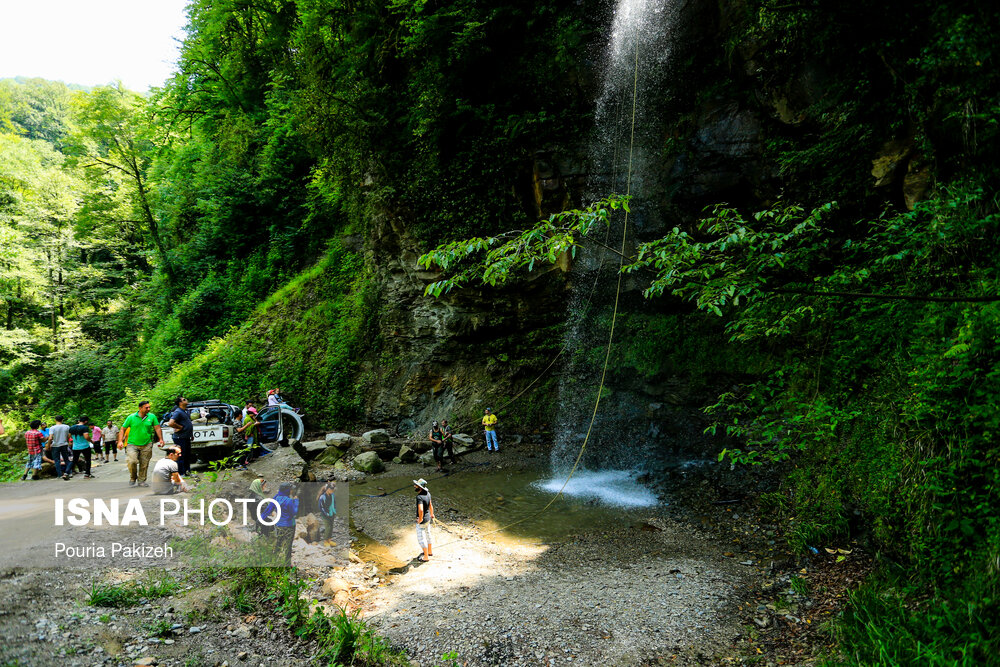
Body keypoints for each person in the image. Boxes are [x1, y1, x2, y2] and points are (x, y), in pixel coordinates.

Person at [119, 400, 163, 488]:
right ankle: (133, 477)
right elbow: (122, 429)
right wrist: (120, 441)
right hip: (132, 444)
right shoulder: (131, 417)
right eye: (146, 407)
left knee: (144, 463)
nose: (148, 409)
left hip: (147, 444)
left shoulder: (152, 417)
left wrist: (161, 439)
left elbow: (157, 428)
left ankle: (141, 480)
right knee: (132, 461)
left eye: (149, 407)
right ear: (140, 408)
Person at [266, 482, 299, 565]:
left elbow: (269, 509)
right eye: (291, 489)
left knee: (278, 544)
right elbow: (294, 512)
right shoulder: (289, 501)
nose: (292, 491)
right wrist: (296, 501)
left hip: (279, 525)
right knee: (288, 546)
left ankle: (274, 562)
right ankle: (287, 565)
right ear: (288, 491)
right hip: (289, 526)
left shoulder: (276, 498)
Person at [166, 396, 194, 477]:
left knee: (187, 455)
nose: (186, 400)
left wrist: (190, 434)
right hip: (180, 437)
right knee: (180, 455)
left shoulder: (186, 411)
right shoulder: (178, 412)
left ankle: (187, 471)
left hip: (186, 437)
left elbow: (188, 423)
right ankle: (181, 473)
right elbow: (171, 423)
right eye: (184, 400)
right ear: (180, 403)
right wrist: (179, 427)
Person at [413, 478, 435, 561]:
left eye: (416, 486)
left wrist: (420, 519)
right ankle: (430, 551)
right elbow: (430, 505)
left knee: (421, 539)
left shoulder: (419, 497)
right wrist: (432, 514)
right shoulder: (428, 494)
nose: (414, 487)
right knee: (428, 534)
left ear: (420, 487)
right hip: (428, 518)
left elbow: (421, 510)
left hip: (422, 521)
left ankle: (426, 557)